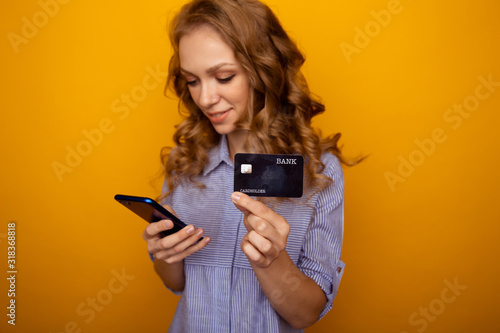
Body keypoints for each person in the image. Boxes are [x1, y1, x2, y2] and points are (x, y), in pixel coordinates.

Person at [143, 0, 359, 331]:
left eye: (224, 76)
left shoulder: (319, 172)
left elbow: (306, 314)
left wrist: (273, 262)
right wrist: (165, 254)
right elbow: (178, 283)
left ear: (263, 70)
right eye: (193, 80)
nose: (205, 98)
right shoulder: (184, 163)